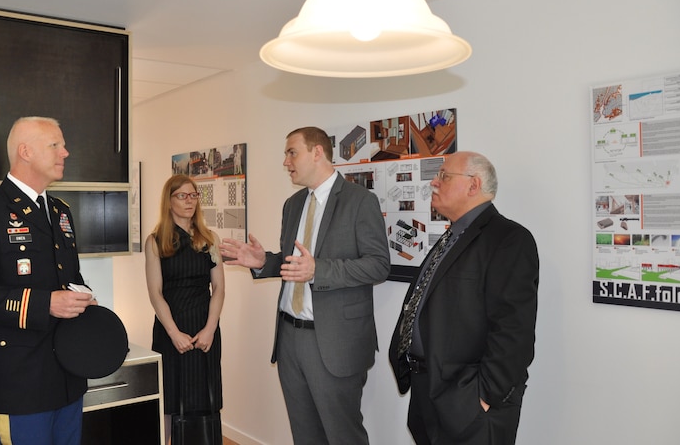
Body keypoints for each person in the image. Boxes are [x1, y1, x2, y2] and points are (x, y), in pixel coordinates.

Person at [219, 126, 390, 445]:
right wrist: (263, 262)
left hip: (334, 342)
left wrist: (319, 270)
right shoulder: (294, 203)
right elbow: (292, 263)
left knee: (342, 435)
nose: (286, 162)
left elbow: (378, 265)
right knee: (305, 434)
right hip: (289, 339)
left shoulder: (359, 201)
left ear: (317, 152)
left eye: (291, 152)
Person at [0, 116, 96, 445]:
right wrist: (47, 303)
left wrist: (83, 297)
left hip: (69, 374)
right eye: (55, 145)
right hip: (19, 382)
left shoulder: (60, 210)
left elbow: (70, 278)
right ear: (25, 151)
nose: (66, 152)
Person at [389, 151, 539, 445]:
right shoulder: (452, 237)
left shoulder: (509, 239)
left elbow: (514, 332)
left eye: (444, 175)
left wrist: (483, 397)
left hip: (468, 403)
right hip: (428, 391)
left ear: (474, 185)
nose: (434, 182)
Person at [145, 174, 226, 445]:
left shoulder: (209, 238)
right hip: (171, 329)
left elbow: (219, 289)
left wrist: (210, 328)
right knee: (169, 397)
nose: (189, 201)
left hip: (205, 328)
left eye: (193, 195)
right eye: (182, 196)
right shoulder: (156, 241)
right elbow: (155, 292)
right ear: (169, 202)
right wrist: (173, 333)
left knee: (206, 396)